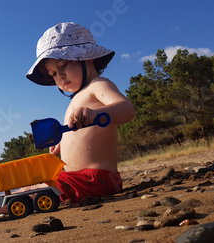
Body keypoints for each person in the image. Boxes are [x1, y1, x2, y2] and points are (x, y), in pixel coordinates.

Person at [24, 22, 135, 203]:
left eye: (64, 65)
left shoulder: (98, 85)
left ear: (87, 58)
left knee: (33, 194)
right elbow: (80, 132)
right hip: (81, 179)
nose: (59, 76)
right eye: (53, 73)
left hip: (93, 179)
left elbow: (127, 109)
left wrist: (95, 114)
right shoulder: (79, 97)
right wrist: (62, 142)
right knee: (37, 185)